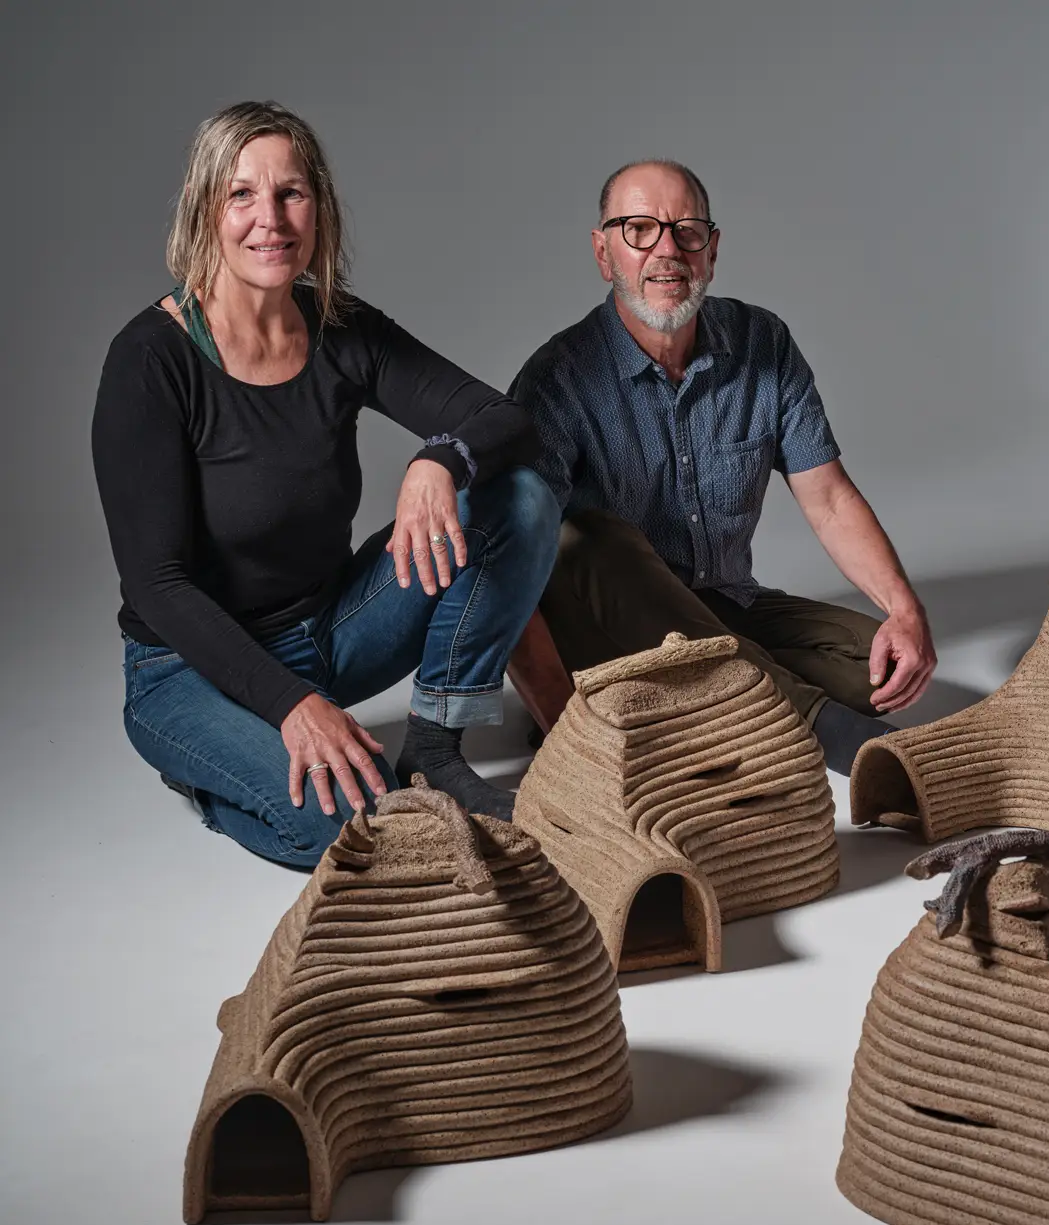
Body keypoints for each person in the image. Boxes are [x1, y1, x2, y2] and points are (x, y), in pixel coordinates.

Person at [93, 101, 558, 867]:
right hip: (188, 671)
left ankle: (435, 748)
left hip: (330, 630)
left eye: (291, 193)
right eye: (241, 194)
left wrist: (436, 460)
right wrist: (291, 707)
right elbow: (156, 584)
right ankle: (209, 769)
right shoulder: (150, 361)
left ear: (319, 208)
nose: (269, 219)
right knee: (360, 826)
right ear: (205, 208)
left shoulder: (340, 326)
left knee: (520, 497)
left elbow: (503, 419)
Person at [505, 159, 936, 774]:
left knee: (880, 666)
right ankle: (825, 731)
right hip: (607, 636)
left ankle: (707, 704)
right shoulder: (558, 379)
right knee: (589, 538)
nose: (667, 250)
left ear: (712, 249)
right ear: (604, 254)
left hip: (724, 602)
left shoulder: (763, 342)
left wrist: (904, 608)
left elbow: (830, 499)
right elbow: (504, 563)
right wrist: (554, 714)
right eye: (638, 231)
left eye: (686, 230)